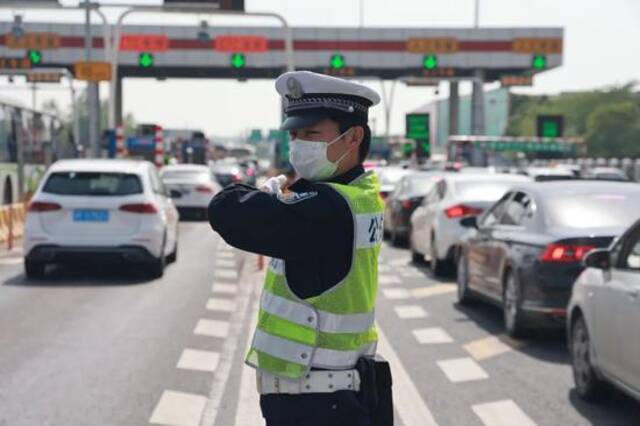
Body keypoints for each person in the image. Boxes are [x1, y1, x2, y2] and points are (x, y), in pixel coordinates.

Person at [208, 70, 391, 426]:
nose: (298, 145)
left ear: (353, 137)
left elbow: (225, 212)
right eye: (294, 134)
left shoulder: (328, 207)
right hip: (334, 397)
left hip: (319, 404)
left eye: (311, 134)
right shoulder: (362, 194)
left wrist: (264, 192)